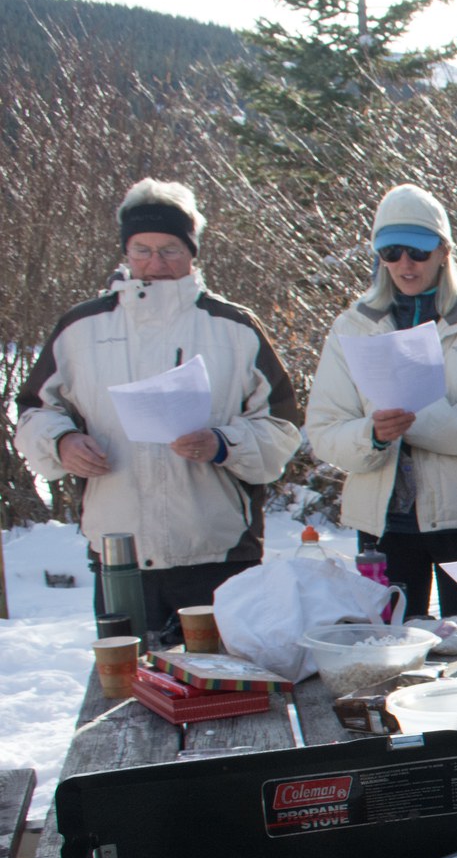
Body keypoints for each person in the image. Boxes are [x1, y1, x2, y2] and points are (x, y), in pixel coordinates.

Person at [14, 178, 302, 641]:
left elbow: (284, 427)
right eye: (142, 249)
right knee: (127, 696)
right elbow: (32, 411)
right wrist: (62, 442)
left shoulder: (234, 327)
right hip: (119, 552)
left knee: (226, 696)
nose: (155, 263)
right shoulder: (81, 327)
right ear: (125, 252)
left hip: (217, 549)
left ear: (192, 252)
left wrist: (223, 443)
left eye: (169, 249)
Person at [306, 184, 457, 617]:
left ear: (444, 251)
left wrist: (403, 419)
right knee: (392, 655)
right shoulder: (352, 326)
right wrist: (372, 436)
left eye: (418, 251)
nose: (404, 263)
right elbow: (325, 428)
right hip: (383, 525)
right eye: (391, 251)